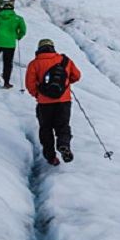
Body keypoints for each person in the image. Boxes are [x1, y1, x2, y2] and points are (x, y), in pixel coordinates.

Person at [25, 38, 81, 166]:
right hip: (64, 101)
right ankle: (63, 144)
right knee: (63, 126)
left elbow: (30, 84)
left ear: (39, 49)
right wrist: (65, 86)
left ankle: (51, 158)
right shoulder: (64, 60)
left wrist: (38, 95)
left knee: (46, 129)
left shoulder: (34, 64)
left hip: (44, 103)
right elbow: (76, 76)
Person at [0, 0, 26, 88]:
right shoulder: (18, 18)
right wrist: (18, 36)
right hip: (10, 44)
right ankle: (6, 82)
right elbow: (23, 30)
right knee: (7, 63)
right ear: (12, 9)